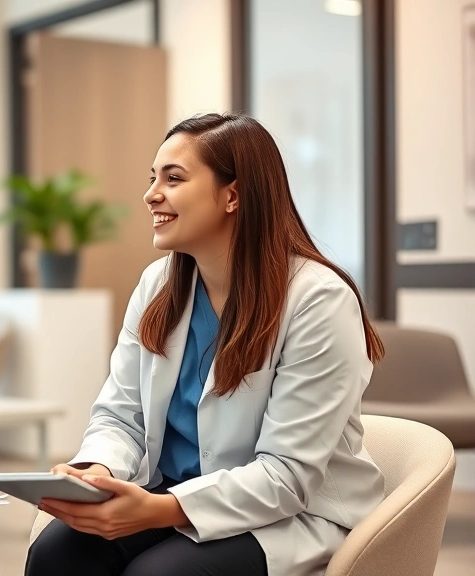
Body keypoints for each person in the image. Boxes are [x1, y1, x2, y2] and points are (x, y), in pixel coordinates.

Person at [26, 113, 386, 576]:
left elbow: (287, 477)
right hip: (170, 494)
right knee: (58, 554)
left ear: (232, 195)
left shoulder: (318, 300)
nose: (151, 193)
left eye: (173, 179)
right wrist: (100, 471)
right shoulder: (158, 285)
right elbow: (120, 415)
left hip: (287, 515)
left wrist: (161, 510)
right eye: (153, 178)